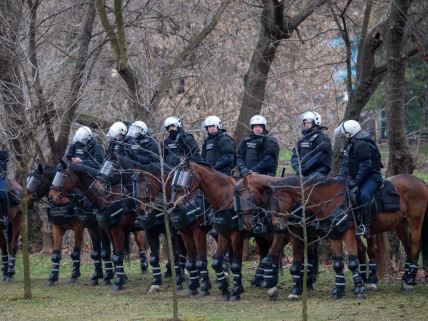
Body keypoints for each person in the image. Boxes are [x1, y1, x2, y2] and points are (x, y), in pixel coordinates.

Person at [339, 120, 383, 237]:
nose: (343, 135)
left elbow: (366, 165)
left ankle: (365, 226)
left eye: (344, 133)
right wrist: (342, 176)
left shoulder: (361, 144)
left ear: (349, 133)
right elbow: (346, 163)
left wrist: (355, 182)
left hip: (372, 177)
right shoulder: (350, 143)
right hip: (358, 177)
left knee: (364, 195)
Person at [291, 111, 332, 178]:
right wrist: (297, 168)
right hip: (303, 173)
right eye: (305, 123)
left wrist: (305, 168)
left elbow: (320, 157)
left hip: (318, 172)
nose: (306, 125)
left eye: (309, 122)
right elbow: (295, 156)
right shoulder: (301, 140)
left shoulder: (322, 138)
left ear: (316, 122)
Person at [0, 146, 9, 228]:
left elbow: (3, 172)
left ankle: (5, 216)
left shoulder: (3, 153)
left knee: (3, 194)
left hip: (0, 179)